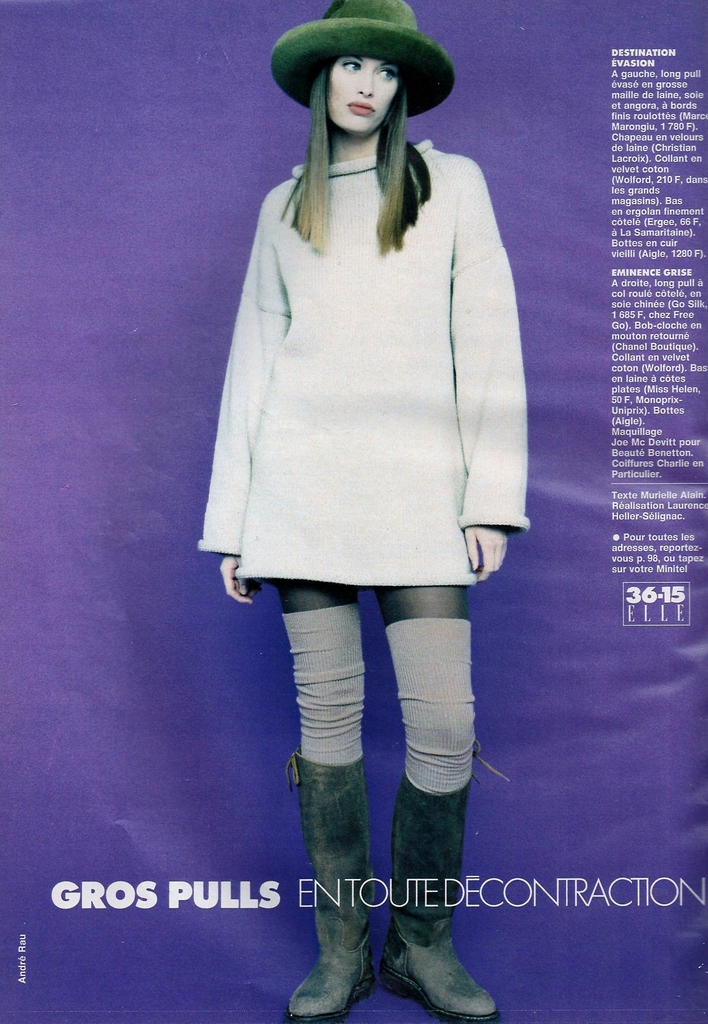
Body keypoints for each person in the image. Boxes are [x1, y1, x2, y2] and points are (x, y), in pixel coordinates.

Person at [199, 1, 529, 1020]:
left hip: (420, 493)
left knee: (444, 722)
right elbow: (255, 363)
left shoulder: (451, 183)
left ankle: (420, 945)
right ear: (321, 77)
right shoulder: (284, 204)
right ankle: (342, 952)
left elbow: (489, 336)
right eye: (351, 63)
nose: (367, 85)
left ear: (402, 89)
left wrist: (489, 501)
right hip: (301, 496)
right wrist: (234, 524)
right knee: (329, 726)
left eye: (385, 71)